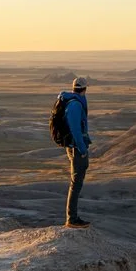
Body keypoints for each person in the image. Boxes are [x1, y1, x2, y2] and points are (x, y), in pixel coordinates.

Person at [57, 77, 93, 226]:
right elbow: (76, 129)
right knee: (76, 183)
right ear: (84, 89)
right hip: (76, 147)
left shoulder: (72, 102)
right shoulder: (75, 105)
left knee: (76, 182)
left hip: (74, 146)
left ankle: (72, 218)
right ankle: (72, 219)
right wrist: (82, 149)